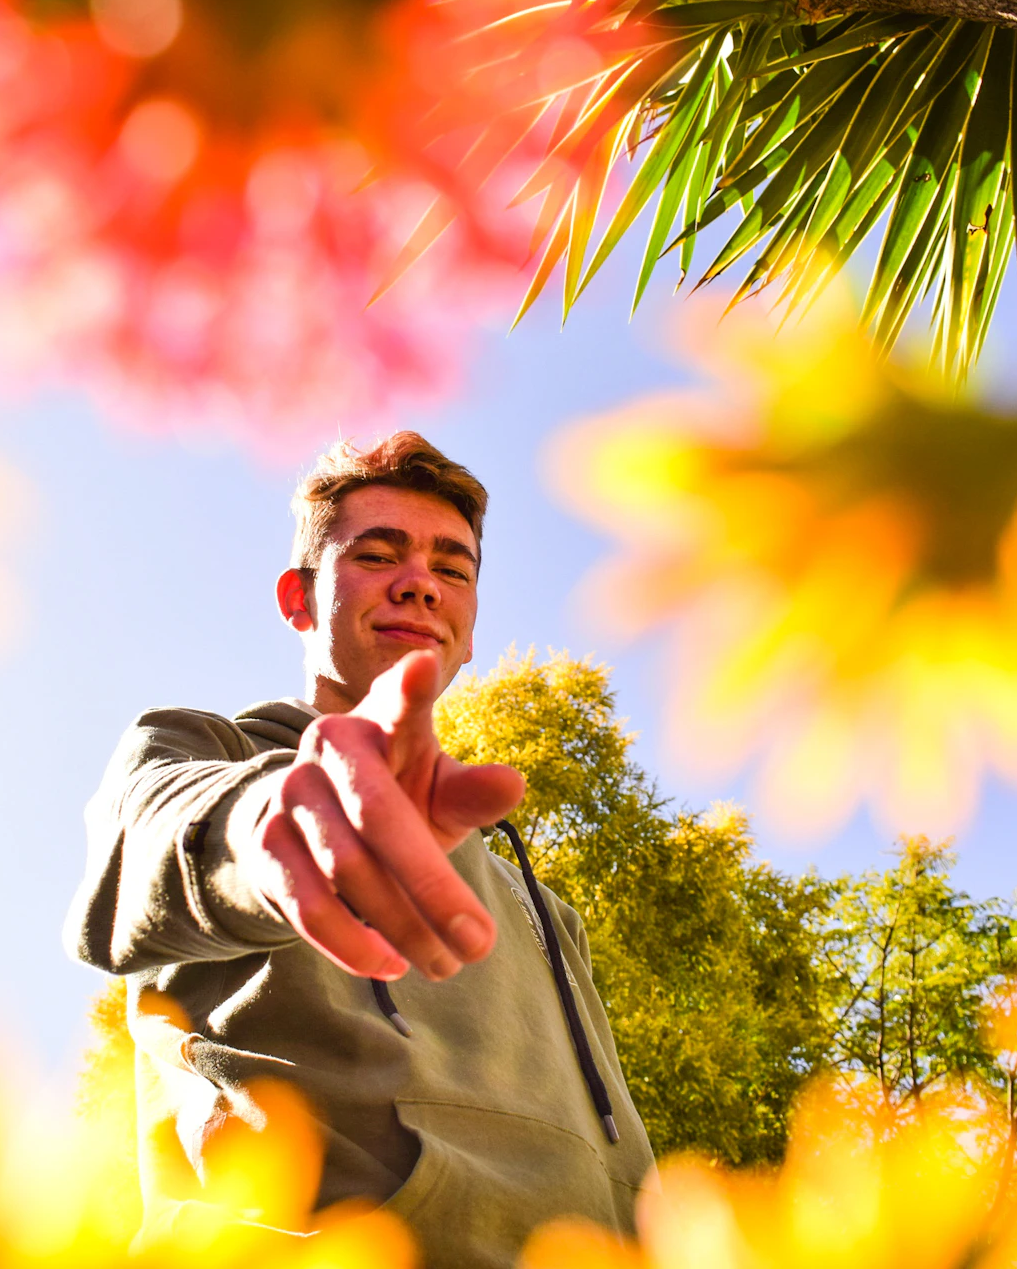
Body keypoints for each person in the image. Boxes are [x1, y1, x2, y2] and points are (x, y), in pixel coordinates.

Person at [65, 431, 653, 1267]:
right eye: (379, 556)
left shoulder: (543, 908)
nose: (420, 582)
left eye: (453, 568)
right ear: (299, 601)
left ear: (471, 621)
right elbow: (147, 846)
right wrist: (279, 833)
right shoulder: (206, 755)